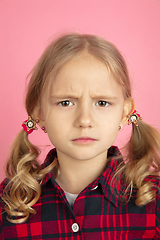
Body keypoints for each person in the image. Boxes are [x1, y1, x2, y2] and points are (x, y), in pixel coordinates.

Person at [0, 33, 160, 239]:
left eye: (102, 103)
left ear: (124, 113)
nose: (84, 120)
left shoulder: (153, 202)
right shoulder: (9, 202)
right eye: (66, 102)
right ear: (39, 113)